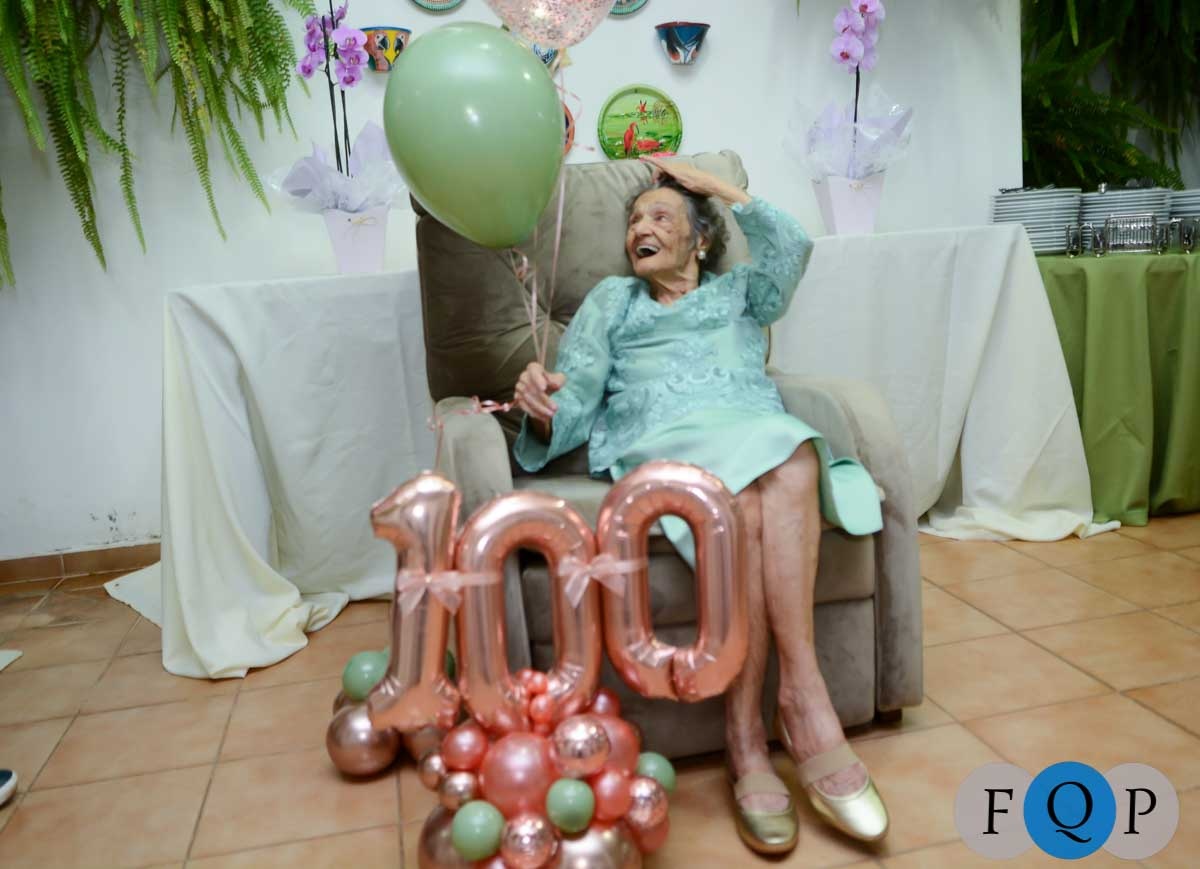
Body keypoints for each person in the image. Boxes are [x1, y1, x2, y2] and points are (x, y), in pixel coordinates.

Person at [511, 158, 889, 855]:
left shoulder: (744, 291)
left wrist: (719, 188)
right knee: (738, 492)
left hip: (751, 426)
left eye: (661, 216)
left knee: (794, 455)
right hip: (665, 437)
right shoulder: (614, 301)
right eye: (634, 220)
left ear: (702, 240)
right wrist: (540, 402)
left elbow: (793, 247)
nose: (641, 228)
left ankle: (788, 702)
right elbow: (575, 400)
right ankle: (769, 725)